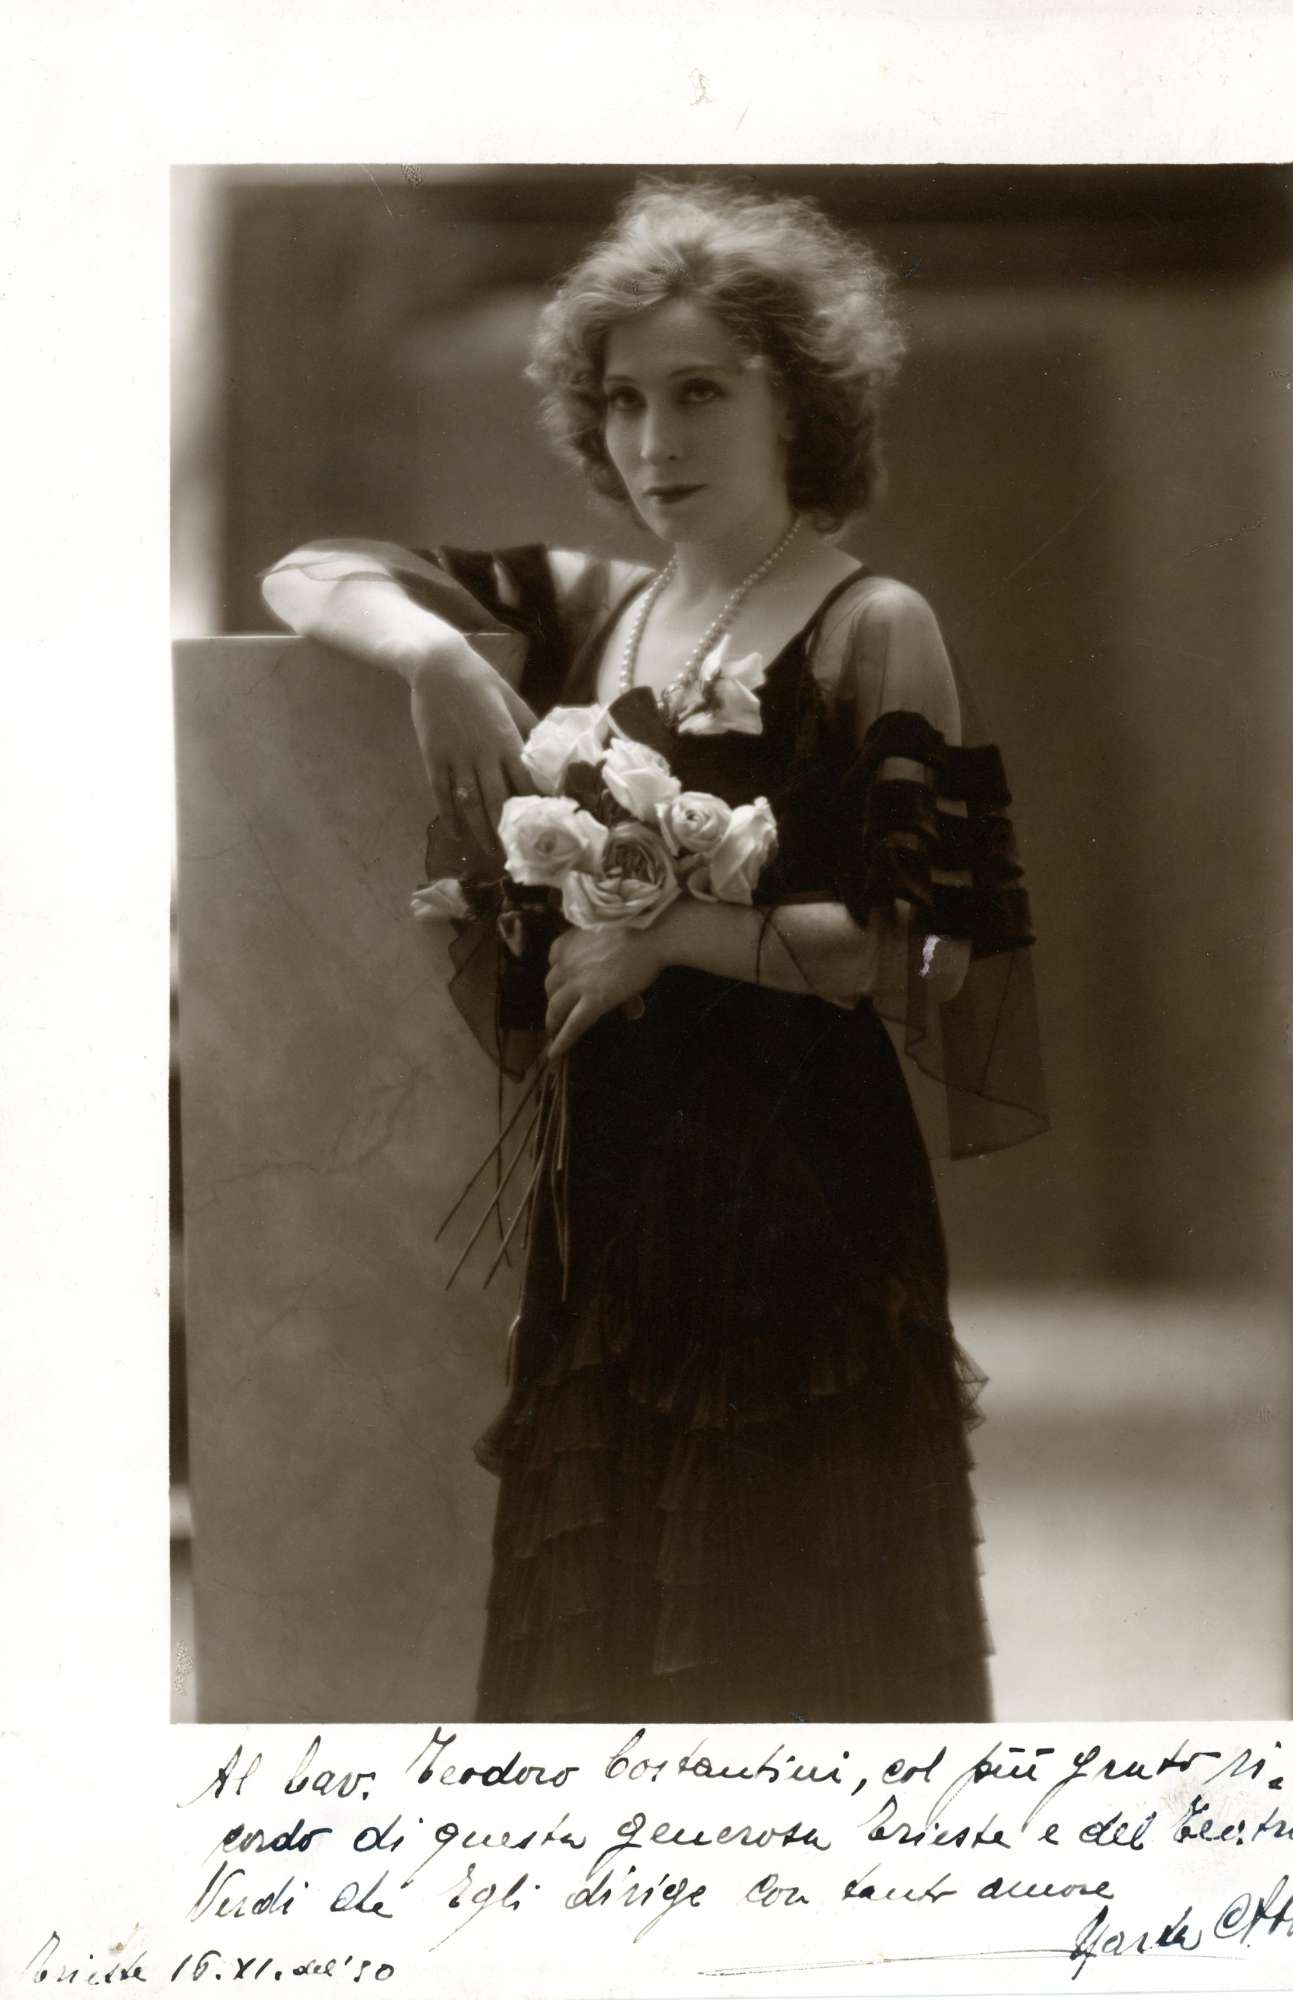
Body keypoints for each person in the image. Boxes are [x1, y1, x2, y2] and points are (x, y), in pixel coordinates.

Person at [262, 179, 1046, 1723]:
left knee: (793, 1631)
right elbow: (308, 569)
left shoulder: (872, 622)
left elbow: (920, 956)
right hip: (618, 1191)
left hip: (805, 1197)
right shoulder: (596, 609)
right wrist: (432, 652)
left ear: (798, 400)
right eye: (622, 400)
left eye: (700, 394)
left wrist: (675, 935)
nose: (653, 440)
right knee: (612, 1634)